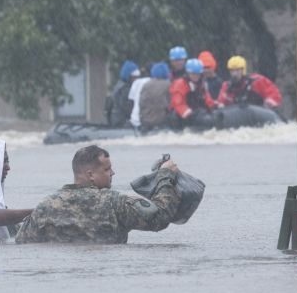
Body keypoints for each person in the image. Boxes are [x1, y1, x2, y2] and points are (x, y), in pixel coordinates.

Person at [15, 145, 181, 244]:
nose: (112, 173)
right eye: (107, 169)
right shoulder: (114, 202)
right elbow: (161, 217)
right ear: (90, 175)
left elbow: (22, 242)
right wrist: (166, 176)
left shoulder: (45, 206)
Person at [168, 58, 217, 129]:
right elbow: (178, 103)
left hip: (195, 113)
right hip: (180, 117)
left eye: (198, 74)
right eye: (193, 74)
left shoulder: (201, 84)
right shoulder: (180, 84)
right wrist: (189, 114)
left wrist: (214, 107)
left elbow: (206, 98)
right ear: (188, 73)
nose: (195, 76)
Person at [218, 56, 282, 109]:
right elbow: (221, 101)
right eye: (232, 71)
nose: (234, 74)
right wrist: (220, 105)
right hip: (237, 118)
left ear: (243, 70)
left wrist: (271, 100)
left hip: (259, 113)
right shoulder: (226, 86)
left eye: (237, 70)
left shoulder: (257, 81)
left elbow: (274, 93)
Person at [137, 62, 171, 131]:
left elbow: (141, 103)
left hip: (145, 120)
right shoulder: (168, 85)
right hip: (162, 121)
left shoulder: (146, 85)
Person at [107, 60, 141, 127]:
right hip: (121, 121)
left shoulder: (120, 85)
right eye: (135, 77)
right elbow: (126, 107)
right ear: (129, 77)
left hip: (116, 119)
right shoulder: (125, 89)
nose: (137, 79)